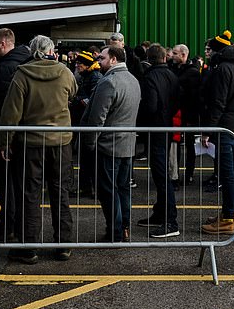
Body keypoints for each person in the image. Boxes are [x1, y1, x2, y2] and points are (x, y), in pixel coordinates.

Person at [0, 35, 76, 263]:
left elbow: (11, 112)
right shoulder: (64, 72)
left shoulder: (22, 75)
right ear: (51, 50)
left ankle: (28, 247)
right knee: (59, 192)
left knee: (29, 195)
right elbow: (73, 92)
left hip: (30, 143)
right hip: (60, 142)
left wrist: (5, 141)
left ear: (32, 51)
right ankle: (63, 244)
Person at [82, 45, 141, 242]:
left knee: (109, 191)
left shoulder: (109, 82)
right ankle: (123, 227)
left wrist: (89, 144)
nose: (98, 61)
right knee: (122, 189)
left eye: (102, 57)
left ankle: (115, 231)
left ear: (113, 59)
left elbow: (97, 118)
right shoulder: (133, 80)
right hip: (127, 145)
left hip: (108, 146)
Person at [0, 27, 31, 241]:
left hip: (8, 136)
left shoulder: (4, 68)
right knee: (18, 183)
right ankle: (15, 224)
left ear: (3, 43)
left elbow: (2, 107)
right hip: (22, 135)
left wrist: (4, 140)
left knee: (7, 184)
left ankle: (7, 226)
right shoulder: (24, 61)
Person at [200, 30, 234, 235]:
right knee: (230, 173)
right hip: (233, 125)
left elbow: (217, 103)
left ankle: (228, 218)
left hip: (224, 126)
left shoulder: (222, 70)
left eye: (211, 49)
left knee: (227, 174)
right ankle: (228, 213)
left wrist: (208, 130)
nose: (208, 53)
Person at [136, 44, 181, 238]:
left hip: (155, 129)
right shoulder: (172, 75)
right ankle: (160, 213)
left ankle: (170, 221)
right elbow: (178, 100)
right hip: (167, 126)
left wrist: (142, 120)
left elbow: (150, 106)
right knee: (162, 175)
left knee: (161, 176)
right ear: (164, 57)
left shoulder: (150, 77)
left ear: (149, 57)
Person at [169, 44, 202, 185]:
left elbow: (195, 97)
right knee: (175, 144)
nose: (172, 55)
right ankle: (175, 174)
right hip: (176, 113)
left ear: (183, 55)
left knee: (189, 145)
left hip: (188, 114)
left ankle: (189, 174)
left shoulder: (193, 72)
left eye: (175, 53)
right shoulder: (173, 68)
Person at [71, 51, 102, 198]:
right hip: (82, 122)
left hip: (88, 123)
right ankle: (86, 187)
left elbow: (91, 100)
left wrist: (77, 100)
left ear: (87, 65)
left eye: (80, 64)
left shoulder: (94, 77)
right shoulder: (87, 75)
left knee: (90, 159)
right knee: (85, 158)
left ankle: (91, 188)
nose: (77, 66)